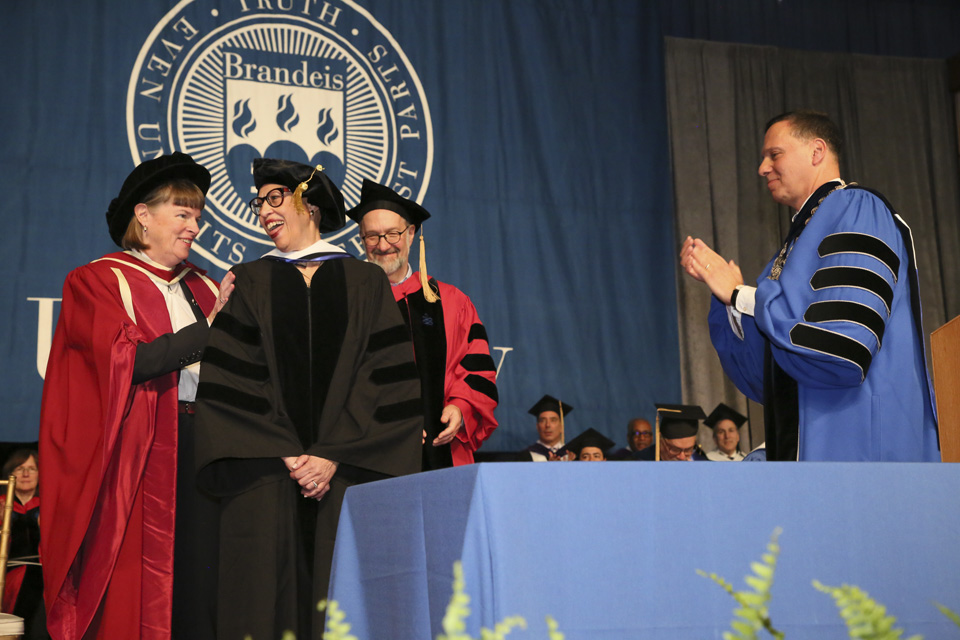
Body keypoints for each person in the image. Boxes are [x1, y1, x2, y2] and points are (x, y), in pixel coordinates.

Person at [194, 159, 422, 639]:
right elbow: (235, 379)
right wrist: (289, 451)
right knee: (261, 602)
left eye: (275, 197)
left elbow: (385, 381)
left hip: (348, 477)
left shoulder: (366, 282)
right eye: (259, 202)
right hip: (267, 472)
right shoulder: (249, 280)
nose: (263, 211)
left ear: (310, 204)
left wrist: (331, 455)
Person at [38, 152, 234, 640]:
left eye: (199, 216)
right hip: (137, 455)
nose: (195, 226)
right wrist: (211, 328)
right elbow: (131, 362)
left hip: (204, 449)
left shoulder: (208, 287)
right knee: (133, 590)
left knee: (201, 586)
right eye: (183, 214)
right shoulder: (98, 281)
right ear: (143, 216)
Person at [680, 110, 939, 462]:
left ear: (816, 152)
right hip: (809, 450)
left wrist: (741, 295)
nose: (762, 168)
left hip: (860, 444)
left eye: (775, 154)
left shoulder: (857, 209)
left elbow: (843, 344)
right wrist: (732, 303)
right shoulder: (792, 248)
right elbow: (768, 379)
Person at [347, 180, 498, 469]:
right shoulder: (348, 303)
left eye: (393, 234)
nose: (383, 245)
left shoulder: (452, 302)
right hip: (369, 453)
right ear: (361, 238)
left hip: (442, 452)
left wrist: (461, 406)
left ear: (412, 233)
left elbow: (477, 368)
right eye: (372, 236)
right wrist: (391, 422)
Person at [0, 449, 46, 639]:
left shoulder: (49, 505)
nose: (26, 474)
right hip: (8, 577)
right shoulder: (2, 505)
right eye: (20, 468)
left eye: (32, 469)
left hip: (45, 579)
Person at [636, 404, 708, 461]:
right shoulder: (640, 462)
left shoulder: (703, 463)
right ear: (660, 440)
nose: (682, 457)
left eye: (688, 450)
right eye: (675, 449)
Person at [523, 395, 575, 461]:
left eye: (553, 420)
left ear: (561, 427)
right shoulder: (526, 456)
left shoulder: (572, 455)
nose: (548, 425)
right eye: (543, 420)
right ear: (537, 427)